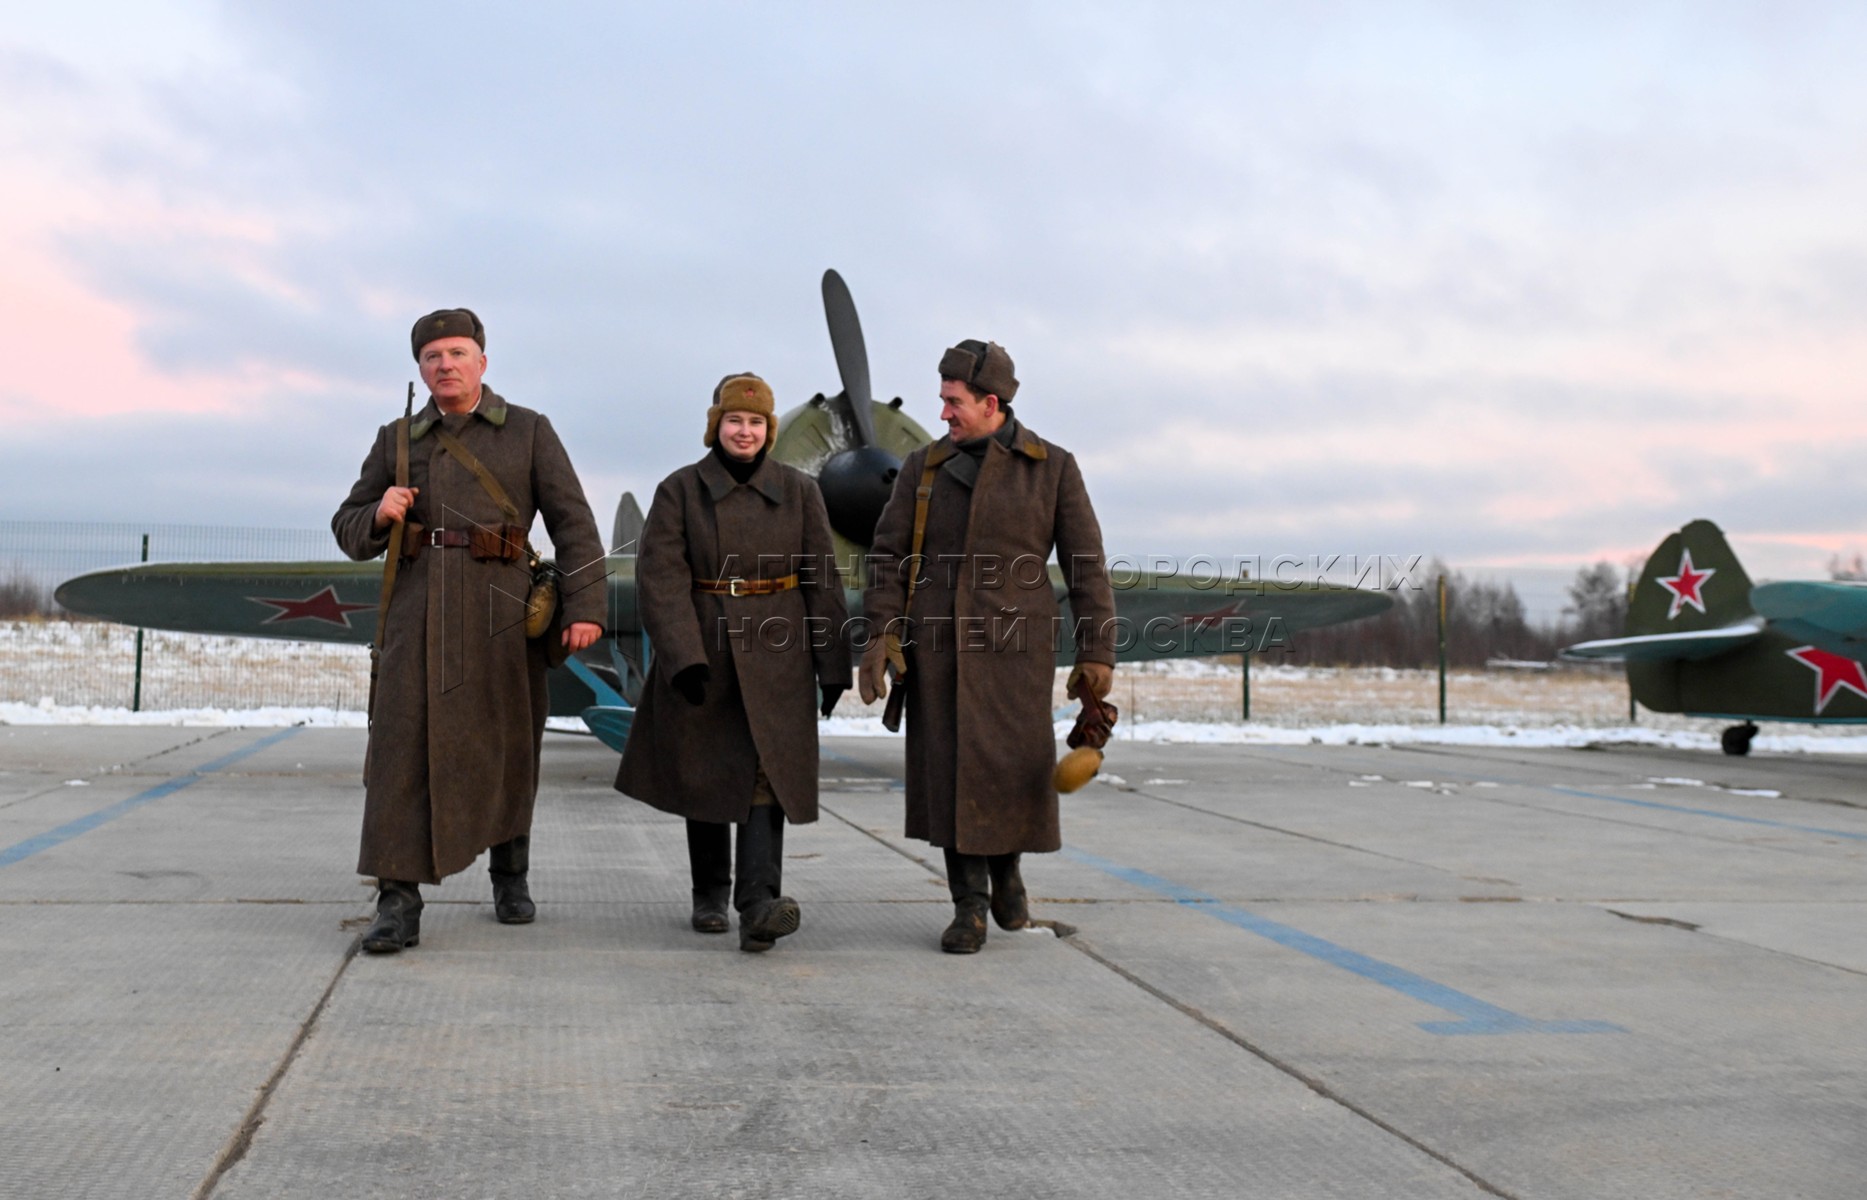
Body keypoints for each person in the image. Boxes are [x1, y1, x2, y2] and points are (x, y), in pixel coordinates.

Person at [333, 308, 608, 953]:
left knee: (507, 747)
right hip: (417, 615)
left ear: (482, 362)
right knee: (399, 754)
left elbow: (574, 522)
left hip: (501, 614)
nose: (445, 365)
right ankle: (397, 903)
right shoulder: (397, 439)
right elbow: (348, 527)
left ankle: (510, 876)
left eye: (457, 353)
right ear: (420, 368)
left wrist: (587, 607)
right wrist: (378, 513)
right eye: (432, 357)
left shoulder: (530, 430)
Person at [859, 339, 1116, 953]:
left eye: (954, 401)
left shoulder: (1053, 468)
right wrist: (881, 633)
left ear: (991, 403)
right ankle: (969, 907)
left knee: (1010, 775)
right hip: (938, 653)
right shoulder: (921, 468)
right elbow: (887, 558)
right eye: (943, 399)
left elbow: (1086, 567)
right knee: (951, 776)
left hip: (1016, 656)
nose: (943, 412)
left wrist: (1097, 652)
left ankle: (1008, 882)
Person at [614, 373, 851, 952]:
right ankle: (709, 894)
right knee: (707, 772)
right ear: (715, 426)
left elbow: (822, 579)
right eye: (734, 420)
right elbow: (660, 579)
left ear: (769, 430)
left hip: (780, 651)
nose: (745, 431)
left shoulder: (800, 492)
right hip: (705, 648)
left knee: (768, 776)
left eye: (756, 422)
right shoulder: (679, 491)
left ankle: (759, 904)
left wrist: (833, 664)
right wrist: (683, 657)